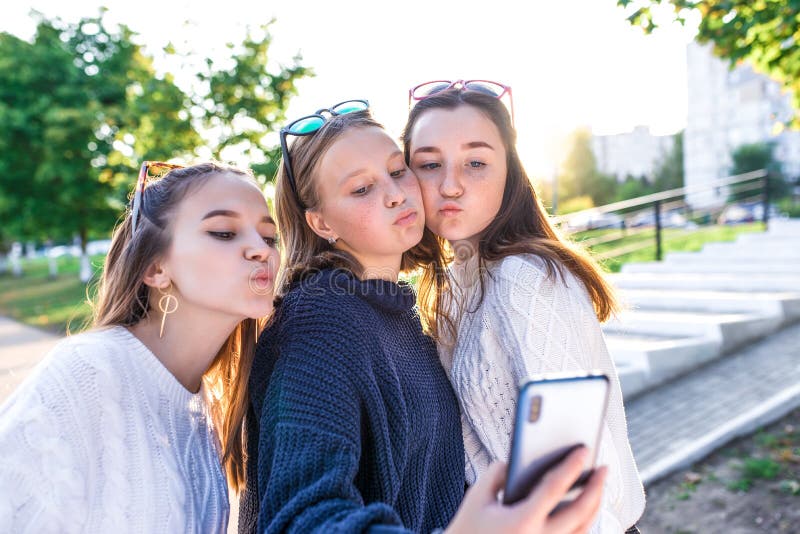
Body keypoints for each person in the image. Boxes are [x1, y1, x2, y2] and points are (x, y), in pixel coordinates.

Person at [239, 100, 608, 534]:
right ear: (321, 223)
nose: (396, 194)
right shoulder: (319, 321)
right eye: (362, 189)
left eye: (397, 171)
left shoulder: (398, 314)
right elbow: (301, 518)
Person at [402, 81, 646, 533]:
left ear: (509, 173)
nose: (450, 185)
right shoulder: (451, 284)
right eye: (430, 164)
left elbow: (575, 472)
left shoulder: (524, 278)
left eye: (476, 163)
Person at [0, 161, 279, 532]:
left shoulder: (205, 409)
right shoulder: (88, 371)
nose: (260, 250)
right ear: (155, 268)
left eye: (269, 237)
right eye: (225, 232)